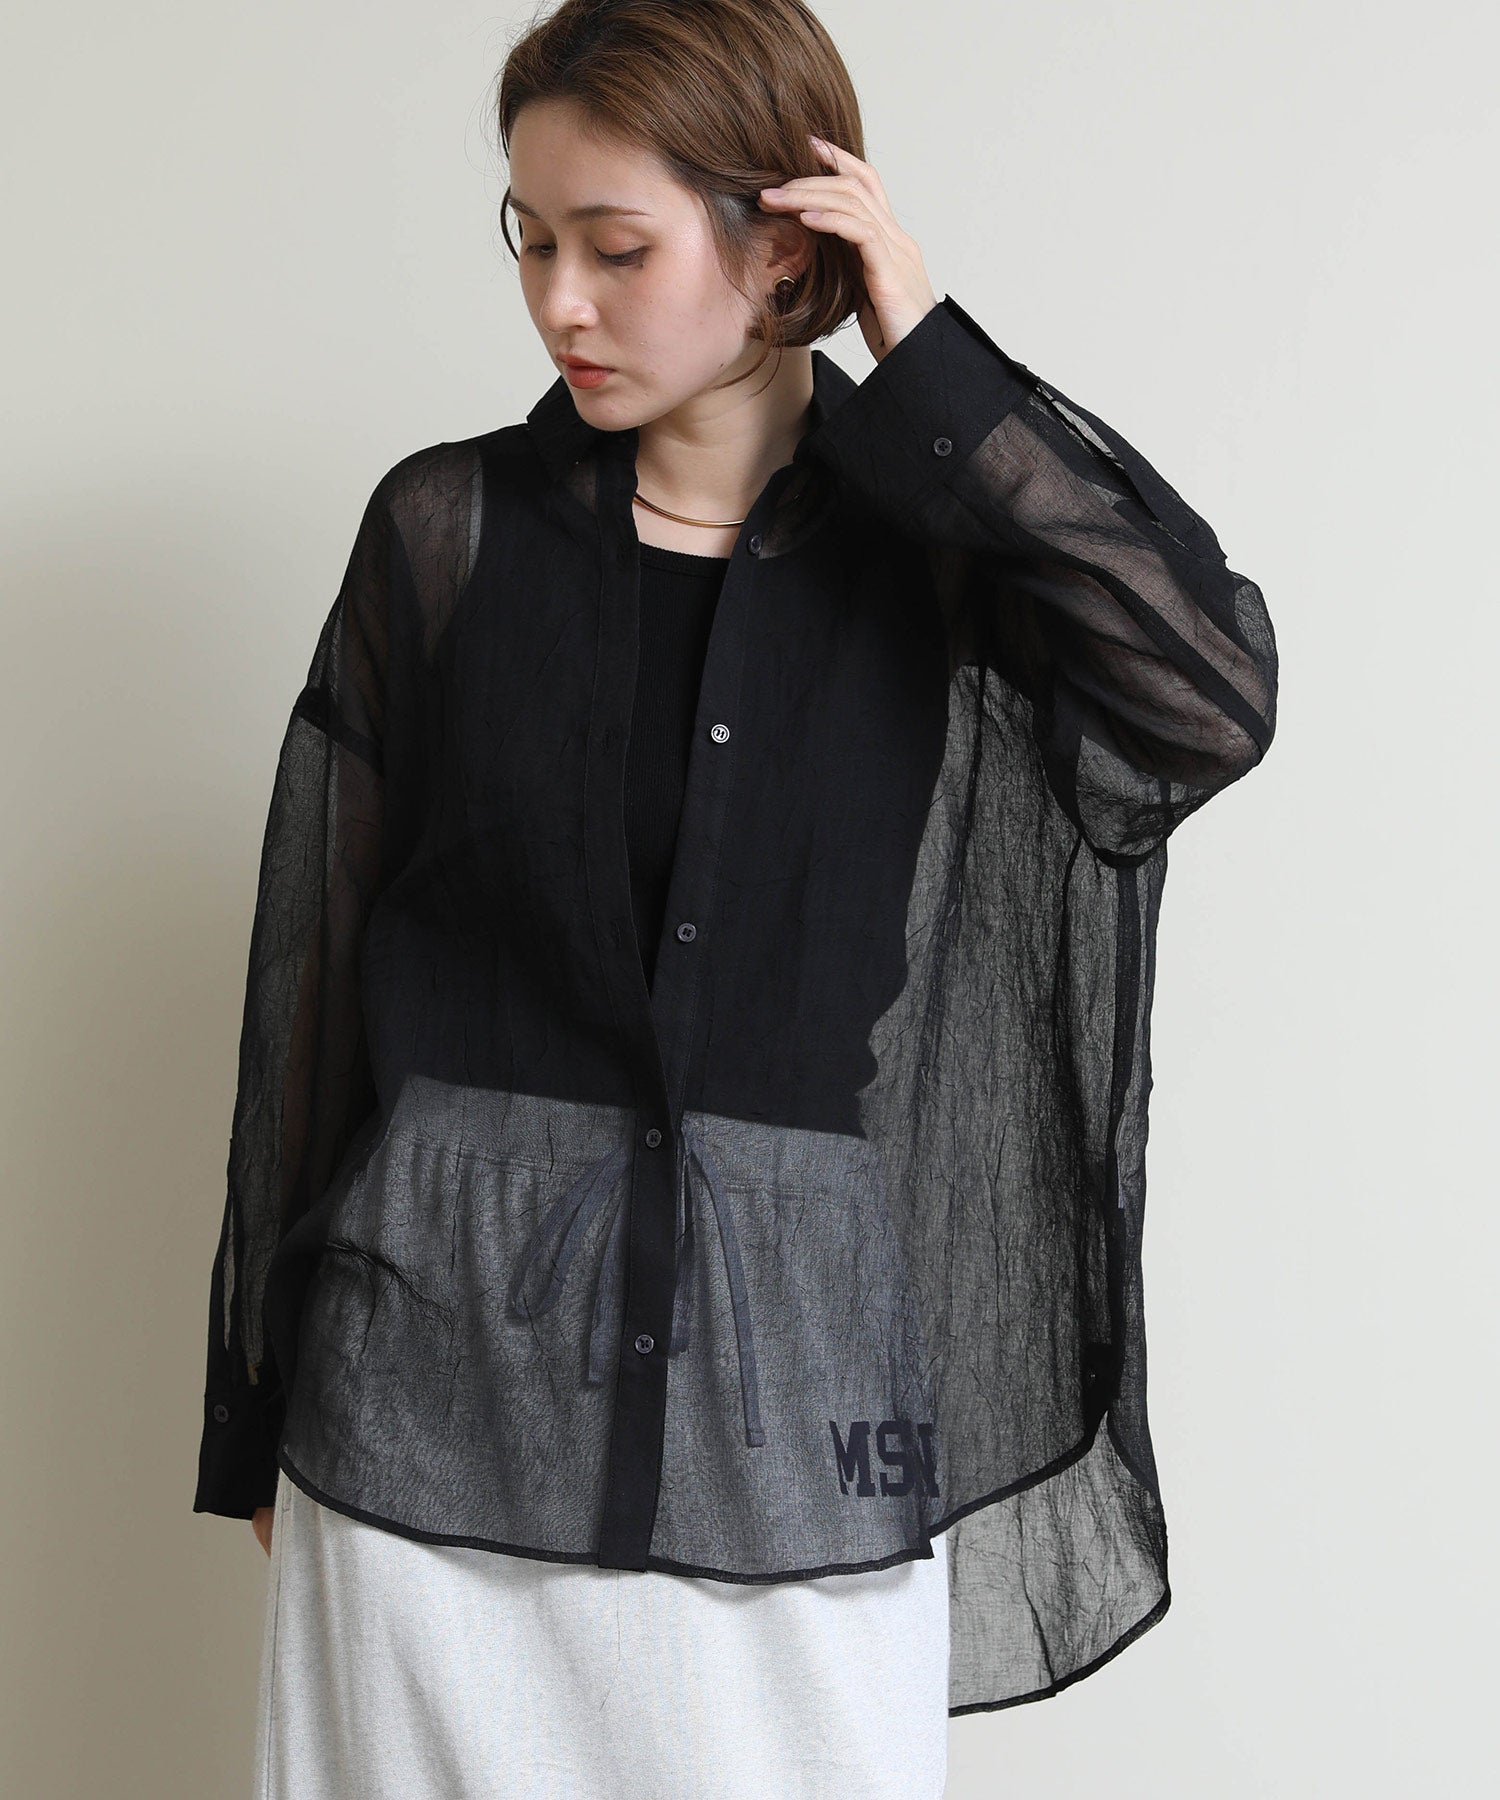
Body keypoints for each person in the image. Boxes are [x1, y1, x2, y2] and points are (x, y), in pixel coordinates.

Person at [194, 3, 1278, 1795]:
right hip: (429, 1410)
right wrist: (258, 1413)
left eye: (615, 248)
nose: (559, 301)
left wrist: (932, 363)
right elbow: (312, 971)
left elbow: (1206, 702)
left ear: (784, 252)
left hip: (791, 1421)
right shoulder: (444, 533)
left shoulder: (938, 557)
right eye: (532, 240)